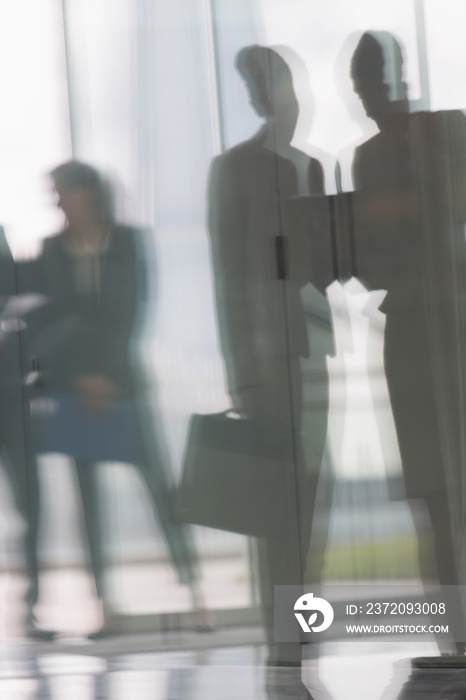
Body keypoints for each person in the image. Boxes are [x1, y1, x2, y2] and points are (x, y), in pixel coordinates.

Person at [27, 160, 210, 636]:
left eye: (62, 192)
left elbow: (133, 310)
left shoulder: (127, 239)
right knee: (89, 501)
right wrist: (82, 377)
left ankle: (194, 594)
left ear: (88, 193)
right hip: (74, 387)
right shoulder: (50, 249)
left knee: (159, 487)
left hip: (123, 383)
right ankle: (104, 604)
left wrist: (105, 376)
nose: (57, 201)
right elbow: (52, 321)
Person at [208, 45, 334, 697]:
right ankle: (285, 638)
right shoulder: (233, 169)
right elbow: (230, 278)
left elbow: (325, 267)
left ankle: (301, 626)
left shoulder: (310, 166)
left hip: (313, 359)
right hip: (268, 364)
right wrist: (244, 378)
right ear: (258, 101)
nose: (281, 100)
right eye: (268, 89)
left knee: (312, 499)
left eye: (285, 85)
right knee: (275, 509)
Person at [349, 31, 466, 653]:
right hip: (417, 331)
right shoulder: (370, 157)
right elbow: (370, 250)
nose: (370, 100)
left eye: (374, 85)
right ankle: (452, 624)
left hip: (449, 325)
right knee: (431, 490)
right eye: (363, 89)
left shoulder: (447, 135)